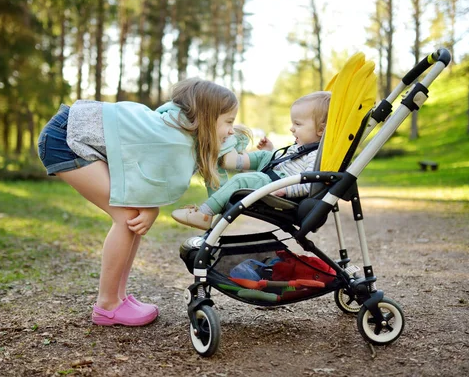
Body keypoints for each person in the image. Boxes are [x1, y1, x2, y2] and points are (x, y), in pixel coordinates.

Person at [37, 78, 239, 327]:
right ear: (208, 117)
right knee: (126, 217)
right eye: (228, 122)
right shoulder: (172, 139)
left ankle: (118, 297)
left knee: (132, 217)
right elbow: (145, 175)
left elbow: (140, 166)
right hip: (65, 139)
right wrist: (151, 207)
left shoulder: (175, 127)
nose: (232, 130)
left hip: (73, 133)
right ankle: (107, 305)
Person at [171, 91, 331, 230]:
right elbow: (290, 164)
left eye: (297, 124)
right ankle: (230, 159)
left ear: (321, 130)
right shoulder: (302, 146)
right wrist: (271, 151)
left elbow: (310, 183)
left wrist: (286, 190)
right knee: (265, 156)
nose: (291, 128)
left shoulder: (315, 154)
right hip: (275, 175)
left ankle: (204, 215)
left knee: (242, 180)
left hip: (278, 185)